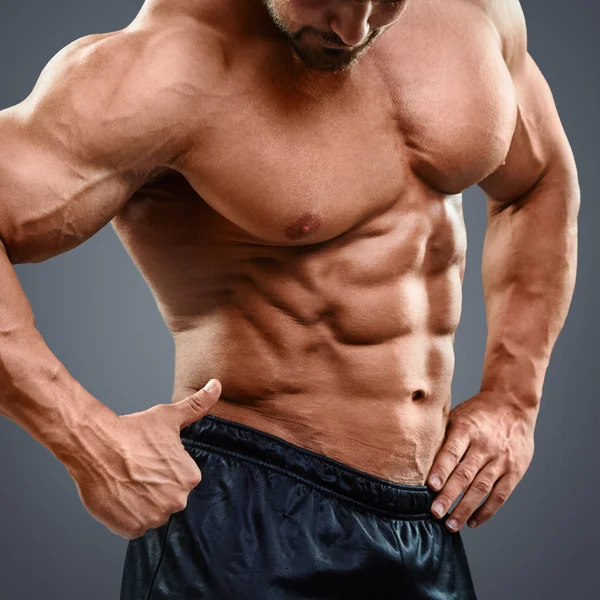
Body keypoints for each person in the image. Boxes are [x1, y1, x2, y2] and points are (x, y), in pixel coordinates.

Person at [0, 0, 579, 598]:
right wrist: (85, 439)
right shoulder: (165, 65)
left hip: (427, 519)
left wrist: (514, 397)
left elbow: (538, 181)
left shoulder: (476, 13)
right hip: (243, 515)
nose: (356, 30)